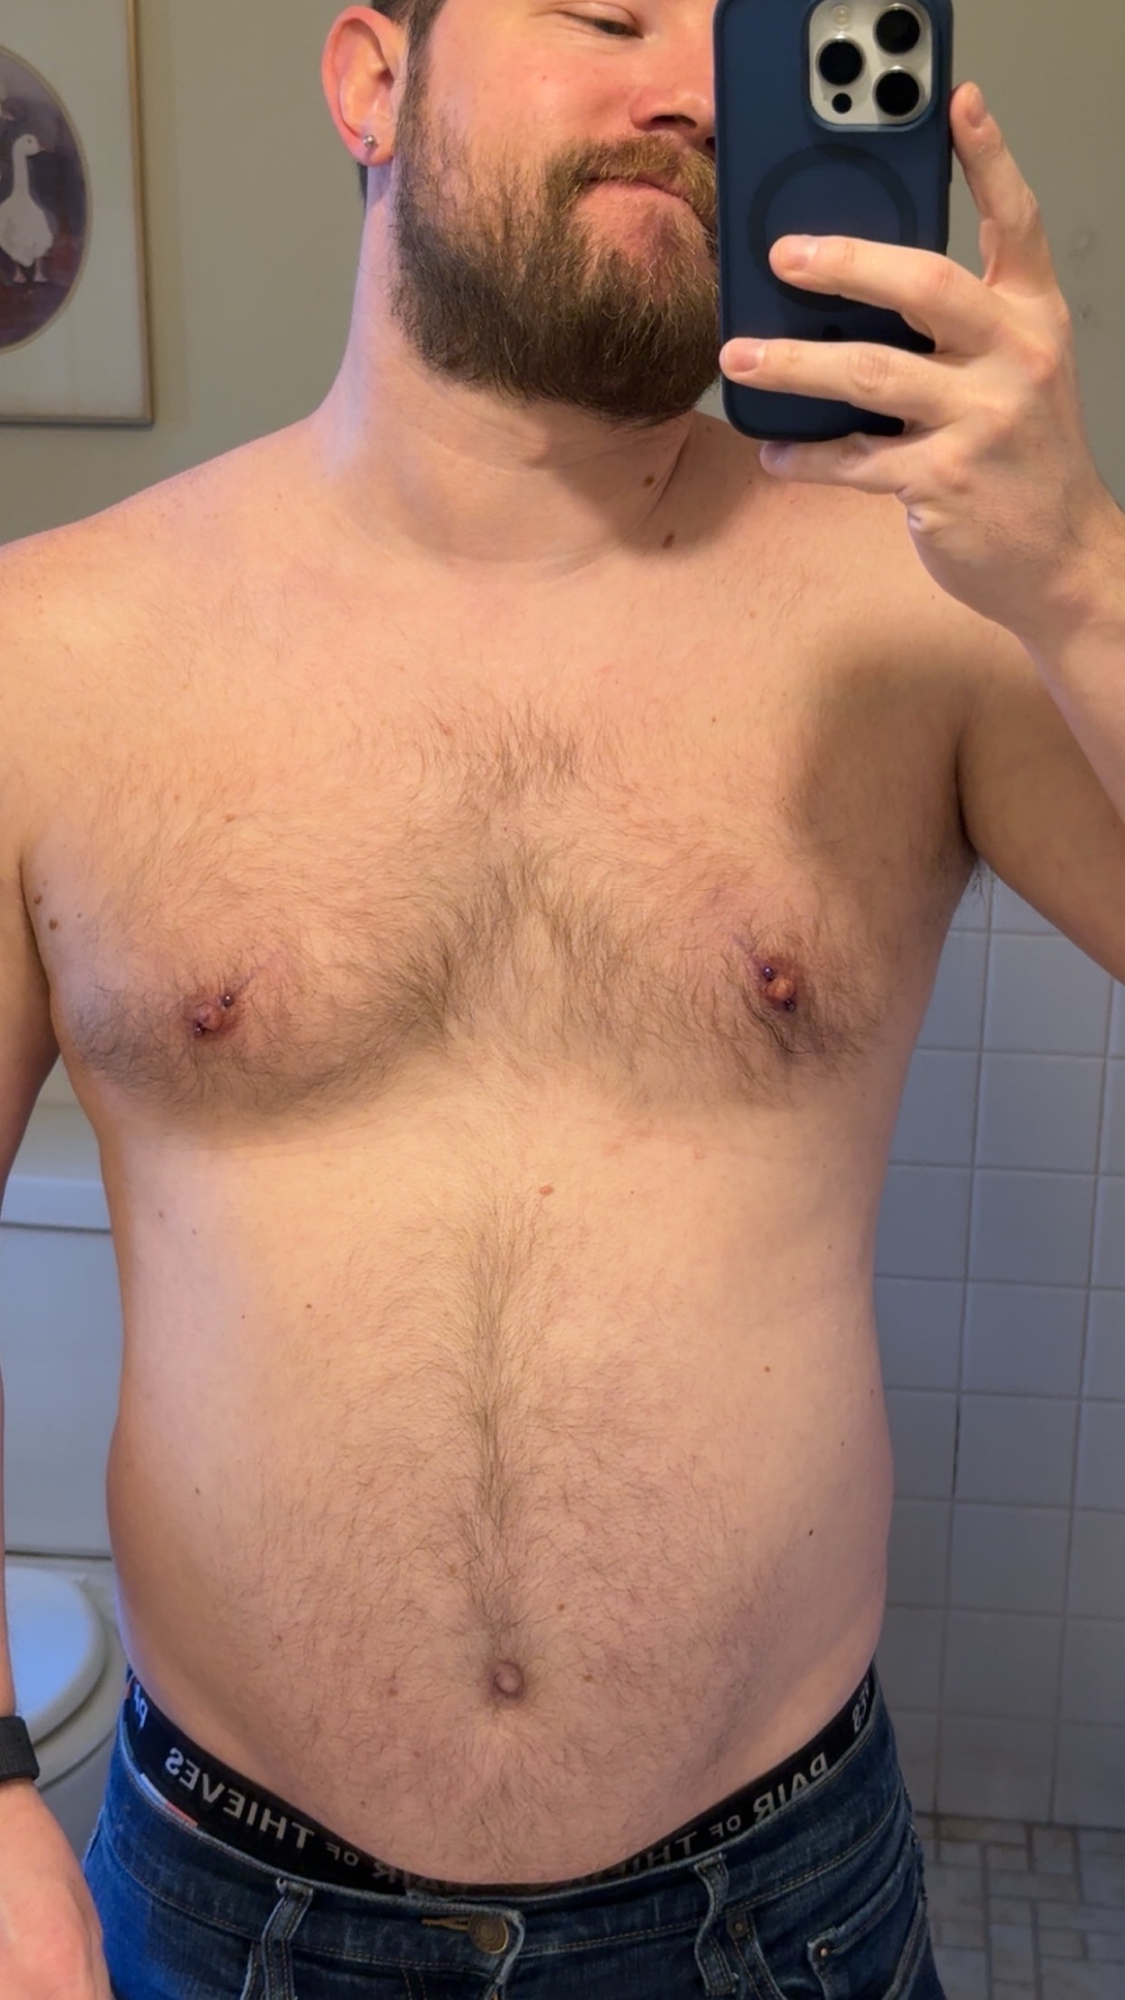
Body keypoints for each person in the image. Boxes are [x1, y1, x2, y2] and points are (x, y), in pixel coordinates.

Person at [1, 1, 1122, 1993]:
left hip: (776, 1902)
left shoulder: (931, 618)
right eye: (604, 10)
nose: (681, 87)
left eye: (730, 34)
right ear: (374, 81)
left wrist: (1079, 574)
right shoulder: (52, 654)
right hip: (226, 1906)